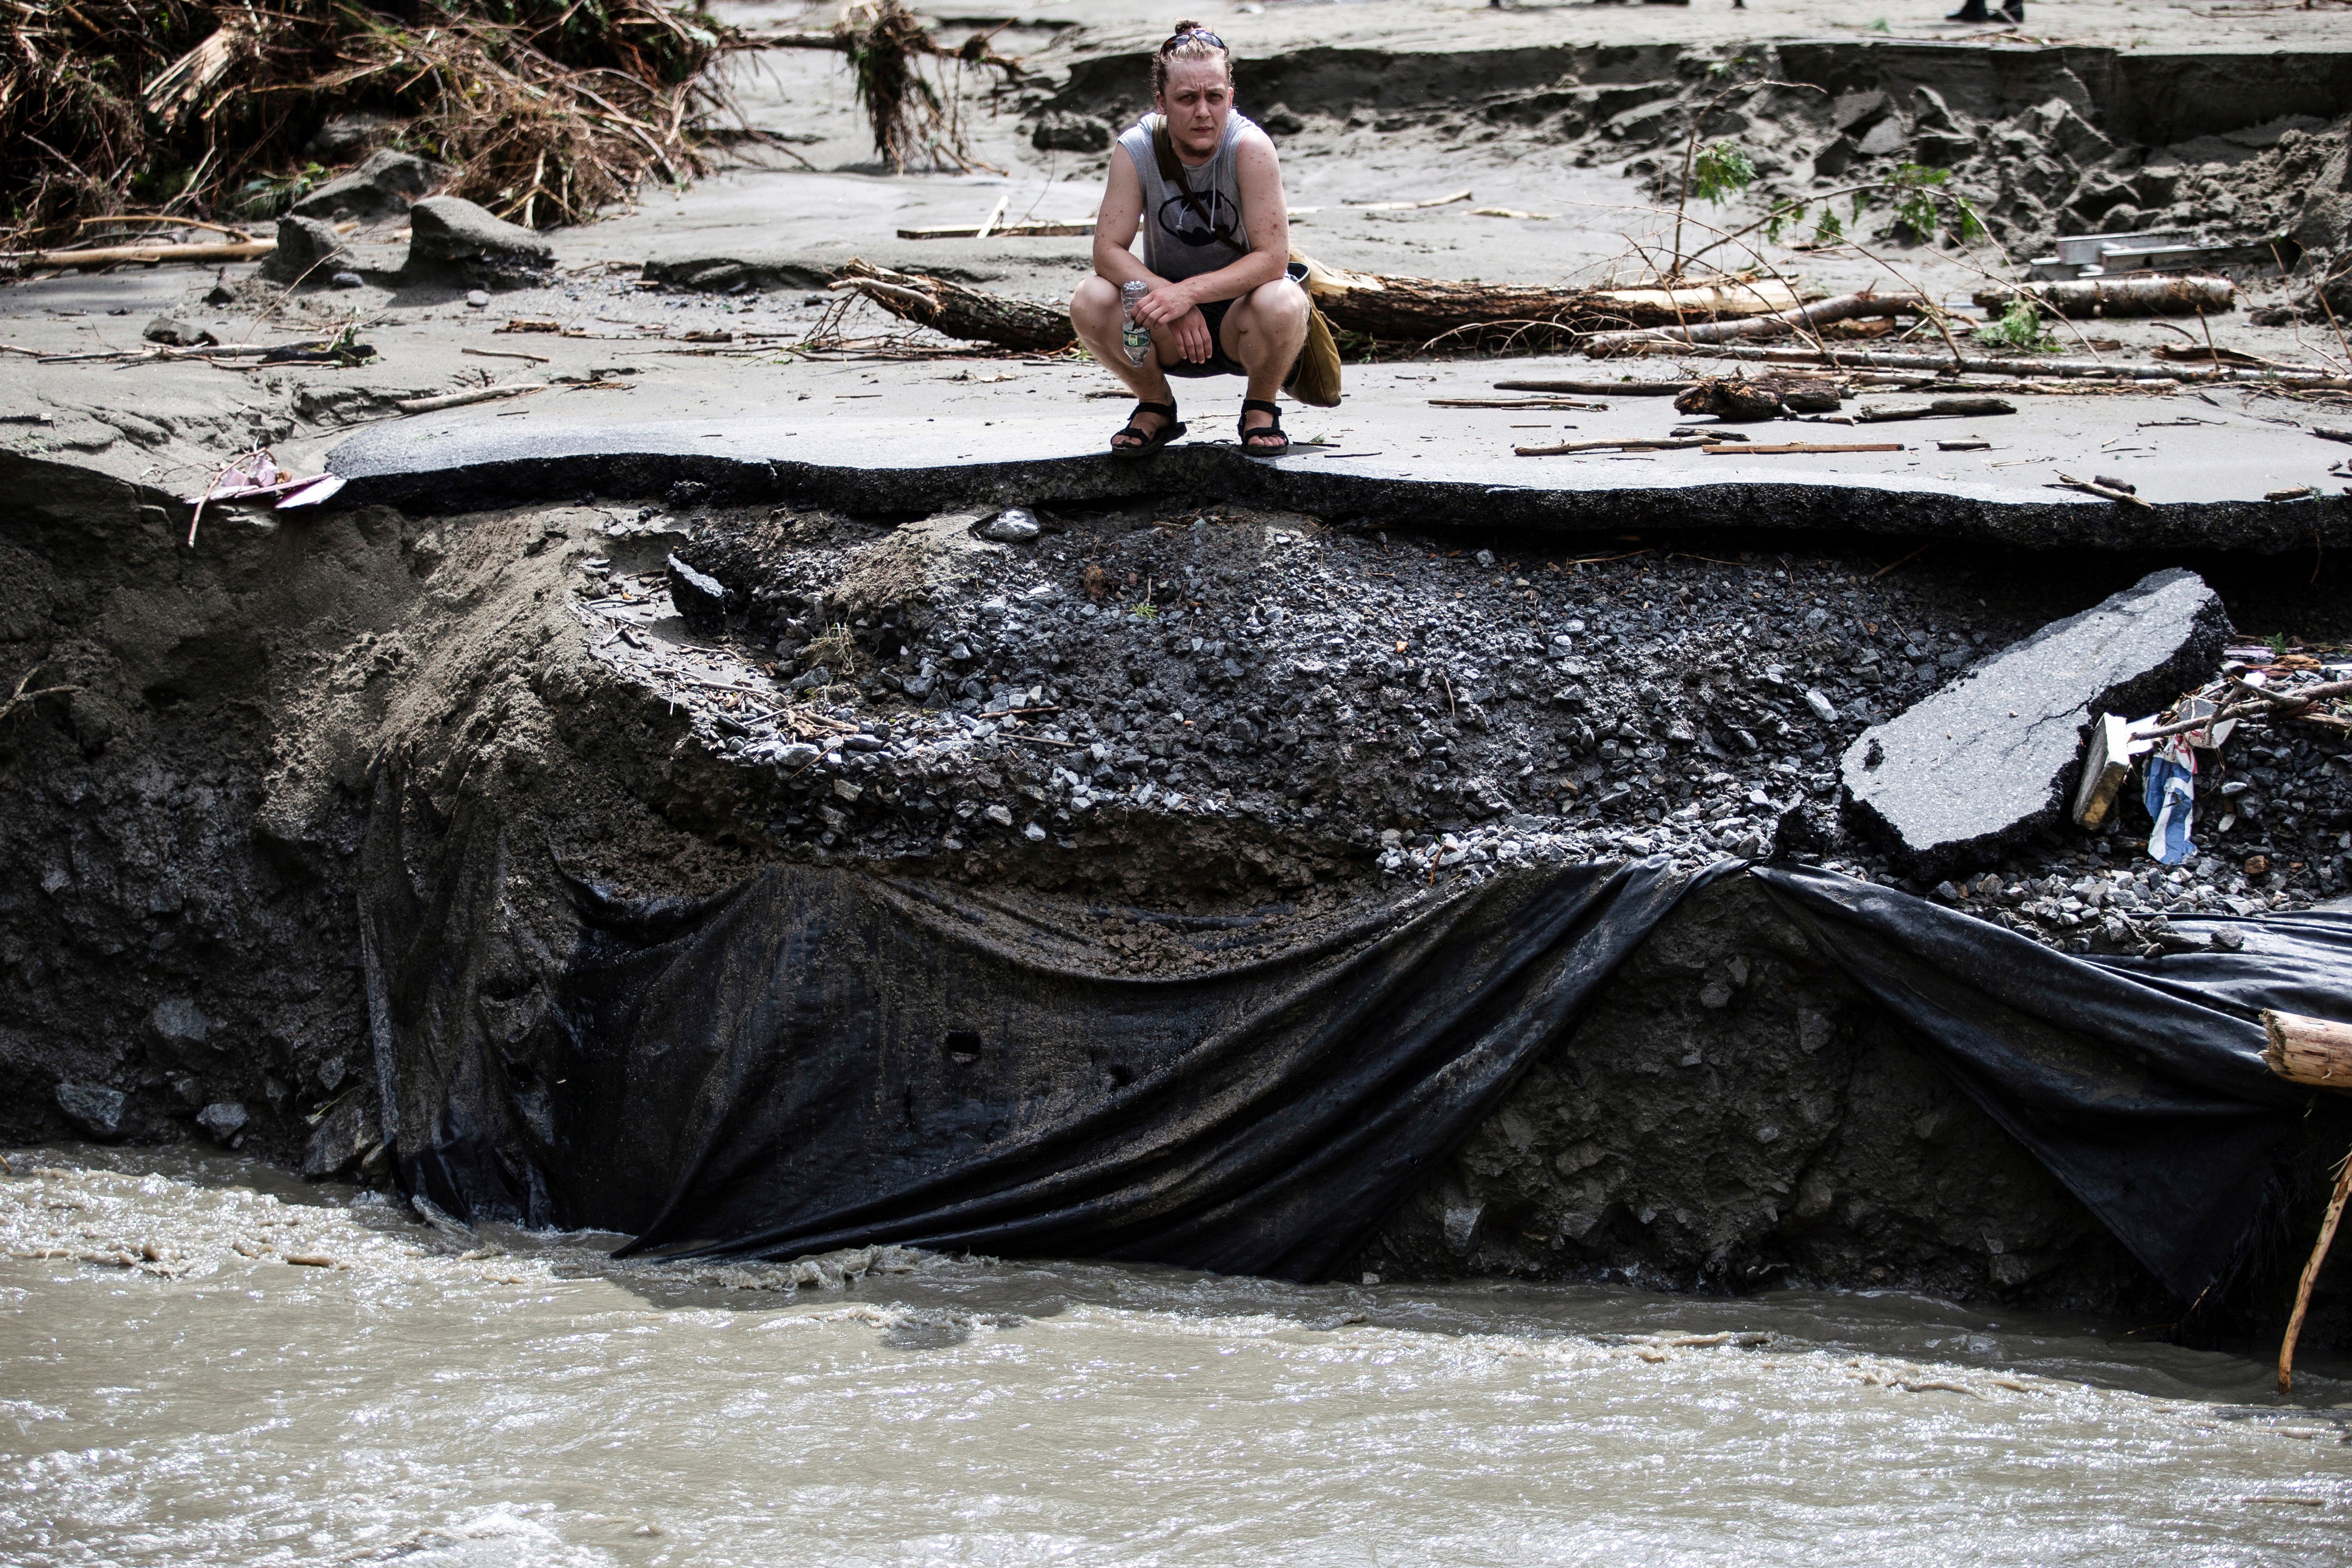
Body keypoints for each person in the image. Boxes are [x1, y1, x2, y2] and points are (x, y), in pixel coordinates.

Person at [1067, 21, 1312, 460]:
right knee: (1090, 298)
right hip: (1165, 328)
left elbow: (1273, 259)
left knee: (1286, 300)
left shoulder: (1251, 147)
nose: (1203, 112)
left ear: (1230, 98)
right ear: (1161, 102)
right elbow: (1107, 251)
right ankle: (1156, 405)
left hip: (1245, 320)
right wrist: (1171, 300)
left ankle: (1260, 406)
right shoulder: (1136, 149)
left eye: (1214, 97)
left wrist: (1190, 294)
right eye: (1187, 99)